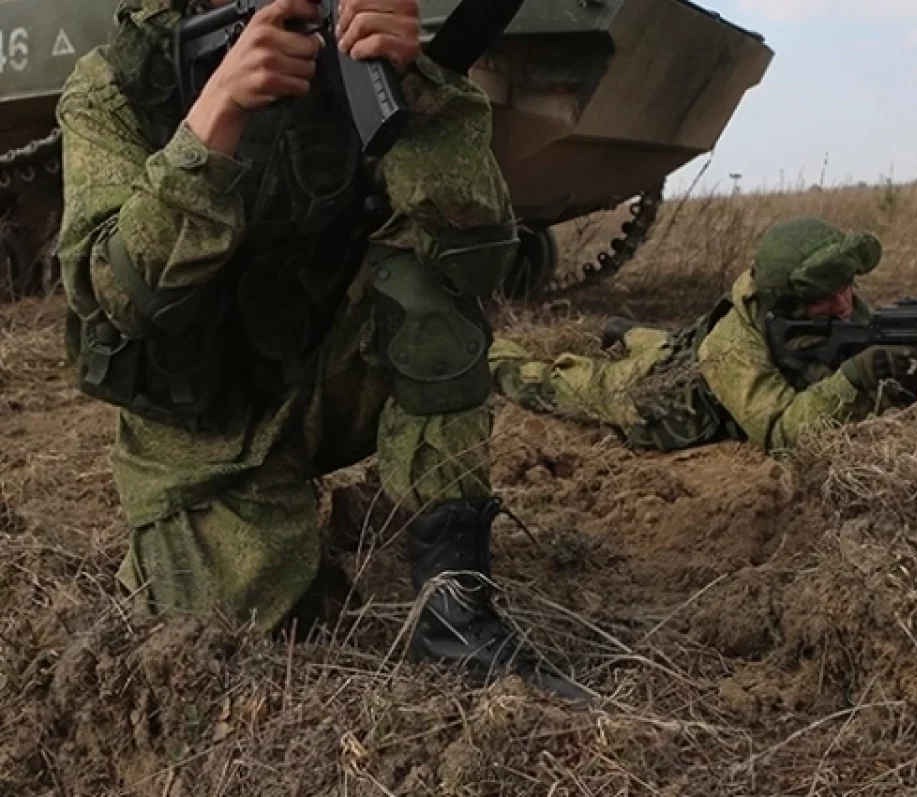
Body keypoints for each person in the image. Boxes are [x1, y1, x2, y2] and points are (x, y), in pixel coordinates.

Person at [56, 0, 585, 701]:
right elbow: (116, 296)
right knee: (223, 650)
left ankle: (455, 616)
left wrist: (419, 90)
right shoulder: (118, 86)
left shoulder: (352, 59)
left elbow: (479, 256)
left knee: (426, 279)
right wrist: (212, 120)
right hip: (207, 426)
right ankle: (259, 524)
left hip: (328, 373)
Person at [490, 216, 917, 454]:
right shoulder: (734, 344)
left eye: (848, 287)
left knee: (671, 340)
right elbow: (779, 430)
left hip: (694, 346)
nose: (845, 306)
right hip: (661, 397)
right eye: (825, 300)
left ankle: (628, 332)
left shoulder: (832, 300)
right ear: (783, 302)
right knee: (575, 385)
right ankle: (495, 357)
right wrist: (854, 377)